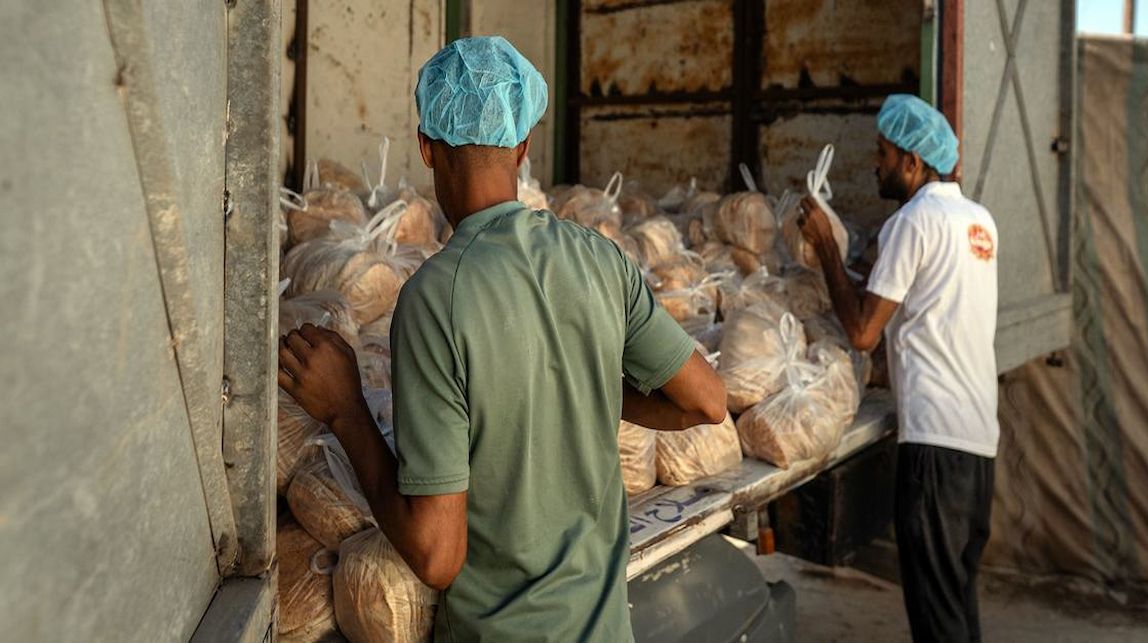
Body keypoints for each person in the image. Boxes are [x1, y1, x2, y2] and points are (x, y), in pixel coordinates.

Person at [277, 36, 726, 642]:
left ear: (426, 148)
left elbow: (438, 556)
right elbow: (707, 401)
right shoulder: (600, 259)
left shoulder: (436, 298)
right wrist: (580, 383)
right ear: (523, 145)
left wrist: (346, 410)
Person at [797, 94, 999, 643]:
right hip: (978, 446)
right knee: (957, 608)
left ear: (913, 161)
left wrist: (827, 252)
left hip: (933, 448)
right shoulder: (978, 222)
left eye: (883, 153)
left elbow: (863, 332)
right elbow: (928, 308)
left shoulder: (914, 221)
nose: (875, 164)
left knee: (937, 622)